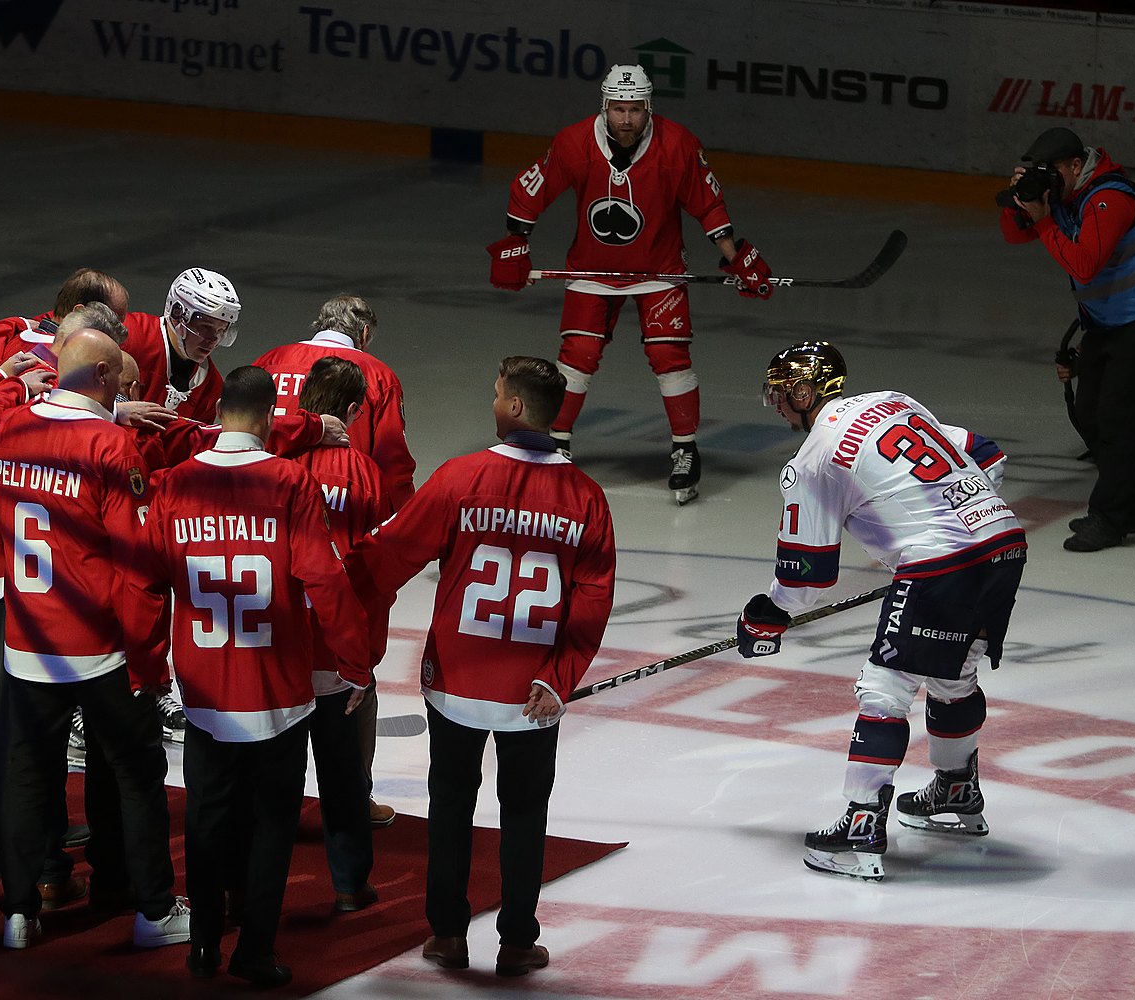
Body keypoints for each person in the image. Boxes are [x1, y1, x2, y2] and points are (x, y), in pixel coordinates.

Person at [346, 356, 616, 978]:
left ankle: (447, 934)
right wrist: (562, 676)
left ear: (516, 407)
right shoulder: (585, 497)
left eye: (497, 394)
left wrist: (325, 578)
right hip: (533, 692)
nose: (491, 402)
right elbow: (593, 598)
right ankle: (518, 940)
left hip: (458, 683)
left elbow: (391, 552)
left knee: (451, 805)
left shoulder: (461, 477)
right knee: (525, 815)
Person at [736, 341, 1028, 883]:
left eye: (780, 393)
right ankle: (956, 788)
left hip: (941, 564)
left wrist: (765, 617)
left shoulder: (814, 460)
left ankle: (860, 826)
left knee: (885, 689)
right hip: (1002, 543)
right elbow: (985, 453)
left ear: (804, 392)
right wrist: (958, 522)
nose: (776, 404)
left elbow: (807, 577)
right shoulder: (893, 402)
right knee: (952, 672)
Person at [0, 328, 188, 951]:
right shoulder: (111, 447)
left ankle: (18, 912)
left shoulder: (9, 430)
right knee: (138, 776)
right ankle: (154, 910)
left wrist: (5, 383)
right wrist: (150, 661)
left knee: (29, 776)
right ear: (108, 380)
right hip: (99, 646)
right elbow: (137, 566)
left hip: (28, 643)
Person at [141, 365, 371, 988]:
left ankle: (204, 946)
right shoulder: (290, 480)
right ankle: (256, 951)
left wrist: (145, 663)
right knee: (272, 824)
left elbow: (147, 581)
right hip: (277, 692)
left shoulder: (174, 483)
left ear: (216, 412)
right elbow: (323, 576)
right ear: (270, 418)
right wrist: (356, 660)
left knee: (206, 818)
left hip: (205, 689)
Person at [487, 63, 774, 505]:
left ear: (648, 108)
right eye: (618, 108)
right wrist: (515, 243)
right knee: (577, 358)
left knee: (670, 357)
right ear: (604, 106)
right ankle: (557, 444)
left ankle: (685, 450)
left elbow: (708, 203)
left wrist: (735, 257)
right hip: (591, 271)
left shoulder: (678, 144)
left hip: (658, 271)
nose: (626, 118)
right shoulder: (573, 142)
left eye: (635, 109)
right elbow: (530, 191)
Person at [999, 125, 1135, 552]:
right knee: (1091, 417)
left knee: (1114, 421)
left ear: (1076, 165)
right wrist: (1021, 199)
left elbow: (1085, 264)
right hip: (1106, 323)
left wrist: (1043, 219)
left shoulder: (1109, 198)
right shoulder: (1070, 193)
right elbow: (1013, 233)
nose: (1049, 179)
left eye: (1052, 171)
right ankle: (1129, 506)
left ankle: (1111, 519)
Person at [288, 357, 390, 906]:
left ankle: (256, 884)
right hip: (338, 650)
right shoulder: (367, 475)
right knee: (342, 775)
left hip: (280, 646)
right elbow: (377, 571)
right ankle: (350, 883)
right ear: (352, 411)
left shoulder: (277, 465)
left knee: (274, 779)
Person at [253, 294, 417, 509]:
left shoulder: (270, 361)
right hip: (339, 500)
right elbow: (393, 464)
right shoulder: (378, 375)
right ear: (365, 333)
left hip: (265, 494)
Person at [0, 267, 129, 405]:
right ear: (81, 312)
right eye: (113, 319)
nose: (115, 331)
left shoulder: (11, 334)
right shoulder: (66, 364)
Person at [122, 267, 241, 421]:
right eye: (205, 327)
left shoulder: (210, 385)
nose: (213, 339)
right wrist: (115, 411)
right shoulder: (129, 335)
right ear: (177, 314)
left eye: (221, 331)